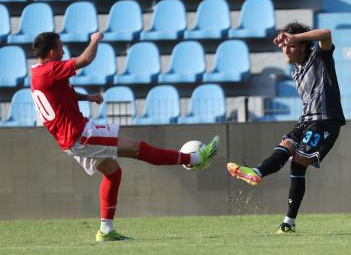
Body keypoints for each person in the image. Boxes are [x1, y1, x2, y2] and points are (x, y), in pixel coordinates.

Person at [30, 32, 220, 242]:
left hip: (71, 138)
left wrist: (87, 97)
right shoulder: (51, 70)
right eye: (61, 47)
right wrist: (95, 39)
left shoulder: (39, 74)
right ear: (52, 52)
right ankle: (195, 159)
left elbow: (62, 92)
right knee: (138, 148)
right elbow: (85, 60)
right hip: (81, 134)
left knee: (113, 172)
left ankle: (106, 230)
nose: (64, 51)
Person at [226, 22, 346, 234]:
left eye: (290, 45)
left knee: (298, 163)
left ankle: (286, 218)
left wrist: (296, 37)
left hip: (325, 120)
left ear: (302, 45)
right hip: (305, 120)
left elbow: (326, 34)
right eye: (284, 46)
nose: (286, 49)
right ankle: (258, 174)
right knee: (286, 147)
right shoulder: (295, 73)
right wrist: (292, 40)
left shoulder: (319, 58)